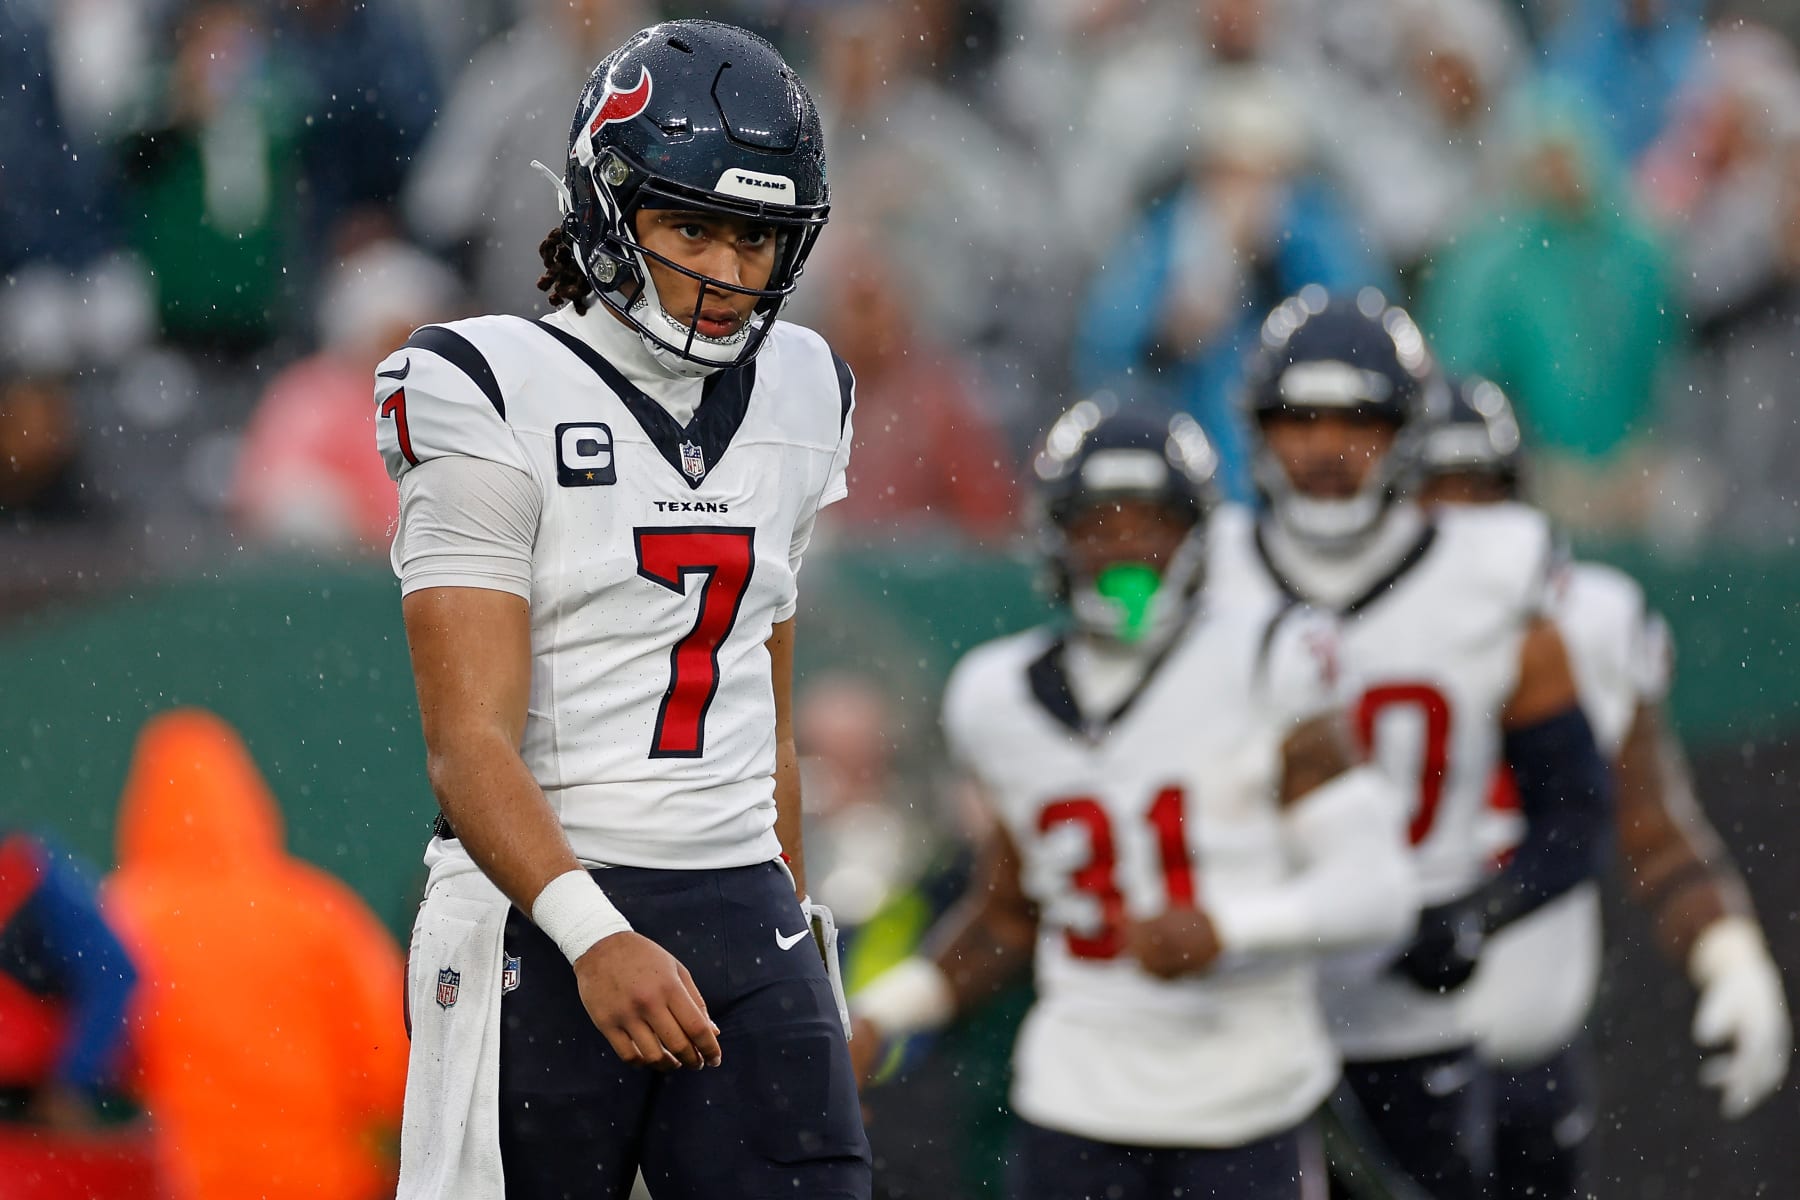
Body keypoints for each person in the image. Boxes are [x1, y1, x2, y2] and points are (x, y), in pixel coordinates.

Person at [377, 20, 868, 1199]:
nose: (724, 272)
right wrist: (591, 933)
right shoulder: (480, 380)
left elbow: (767, 714)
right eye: (688, 225)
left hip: (745, 896)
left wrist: (791, 931)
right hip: (535, 908)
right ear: (605, 208)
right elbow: (466, 742)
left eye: (755, 238)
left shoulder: (805, 384)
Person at [850, 401, 1419, 1199]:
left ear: (1199, 534)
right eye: (1097, 522)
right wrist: (885, 1013)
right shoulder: (998, 699)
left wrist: (1229, 929)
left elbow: (1376, 891)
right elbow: (1010, 914)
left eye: (1153, 522)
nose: (1125, 545)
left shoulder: (1270, 660)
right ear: (1054, 535)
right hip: (1075, 1106)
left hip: (1245, 1103)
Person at [1205, 288, 1614, 1199]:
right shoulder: (1208, 570)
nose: (1323, 449)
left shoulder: (1489, 574)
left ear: (1409, 432)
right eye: (1297, 419)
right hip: (1244, 1008)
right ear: (1258, 430)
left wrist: (1477, 913)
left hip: (1414, 1027)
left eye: (1358, 420)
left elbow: (1577, 808)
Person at [1419, 377, 1792, 1199]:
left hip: (1533, 1057)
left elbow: (1651, 827)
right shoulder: (1330, 640)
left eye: (1478, 494)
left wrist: (1731, 956)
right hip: (1382, 1058)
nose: (1459, 525)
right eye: (1432, 497)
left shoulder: (1587, 622)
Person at [104, 707, 409, 1200]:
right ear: (246, 797)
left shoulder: (122, 919)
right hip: (317, 1182)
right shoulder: (316, 913)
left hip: (186, 1183)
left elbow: (104, 1063)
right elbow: (391, 1067)